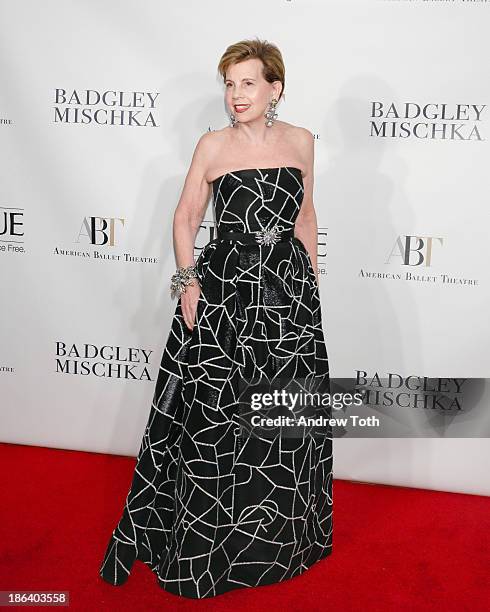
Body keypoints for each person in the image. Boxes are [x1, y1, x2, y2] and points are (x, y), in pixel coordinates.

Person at [99, 37, 333, 599]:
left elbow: (304, 214)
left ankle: (284, 536)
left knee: (285, 409)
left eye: (247, 83)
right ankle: (213, 541)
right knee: (216, 415)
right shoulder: (212, 146)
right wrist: (187, 280)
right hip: (227, 287)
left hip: (286, 289)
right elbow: (184, 217)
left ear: (275, 87)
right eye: (229, 84)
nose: (236, 95)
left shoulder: (301, 141)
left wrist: (313, 283)